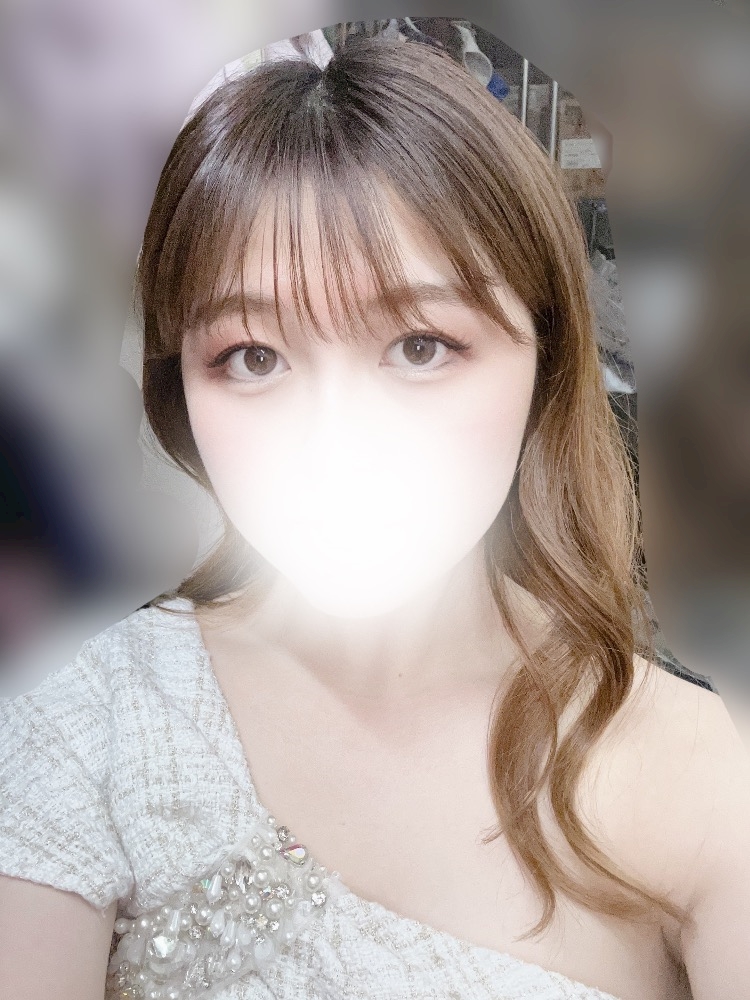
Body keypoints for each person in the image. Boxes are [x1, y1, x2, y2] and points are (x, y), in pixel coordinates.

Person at [1, 35, 749, 1000]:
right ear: (180, 390)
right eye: (253, 357)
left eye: (421, 346)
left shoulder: (704, 775)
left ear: (545, 358)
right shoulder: (83, 723)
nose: (336, 439)